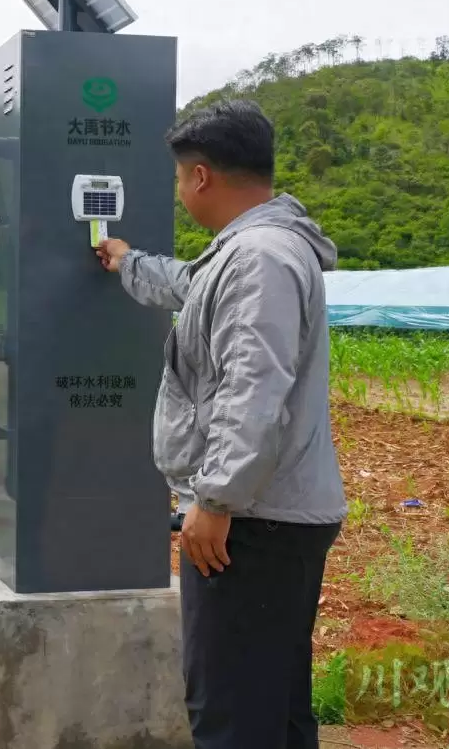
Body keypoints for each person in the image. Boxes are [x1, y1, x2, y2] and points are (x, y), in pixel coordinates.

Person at [96, 98, 347, 749]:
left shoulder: (259, 258)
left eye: (181, 179)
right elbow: (190, 286)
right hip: (276, 518)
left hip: (254, 522)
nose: (181, 192)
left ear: (200, 176)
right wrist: (128, 262)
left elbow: (253, 386)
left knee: (230, 713)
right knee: (274, 704)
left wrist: (216, 497)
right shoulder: (249, 252)